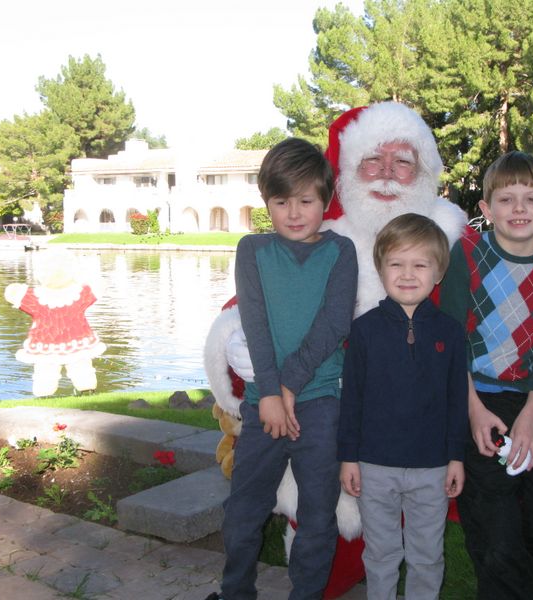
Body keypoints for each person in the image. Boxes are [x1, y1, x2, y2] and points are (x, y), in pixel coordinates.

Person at [204, 101, 533, 597]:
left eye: (403, 161)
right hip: (340, 411)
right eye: (374, 160)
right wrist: (234, 337)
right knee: (329, 542)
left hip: (433, 416)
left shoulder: (454, 234)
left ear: (425, 171)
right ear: (347, 171)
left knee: (517, 506)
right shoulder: (322, 232)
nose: (388, 175)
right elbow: (252, 301)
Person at [211, 138, 358, 600]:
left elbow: (334, 325)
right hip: (262, 405)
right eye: (281, 201)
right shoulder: (252, 250)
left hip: (319, 405)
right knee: (243, 510)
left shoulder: (342, 251)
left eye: (306, 201)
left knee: (318, 514)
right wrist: (270, 394)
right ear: (266, 203)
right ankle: (236, 593)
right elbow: (254, 323)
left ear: (326, 201)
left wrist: (287, 388)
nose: (294, 212)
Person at [439, 151, 533, 599]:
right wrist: (474, 412)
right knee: (494, 528)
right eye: (506, 199)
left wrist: (531, 416)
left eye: (532, 198)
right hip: (478, 399)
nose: (519, 209)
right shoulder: (466, 260)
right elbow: (452, 343)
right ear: (485, 210)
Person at [337, 213, 468, 600]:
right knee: (381, 553)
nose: (407, 274)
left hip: (432, 468)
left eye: (419, 264)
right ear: (380, 269)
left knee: (427, 554)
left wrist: (456, 457)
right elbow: (352, 399)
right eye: (396, 263)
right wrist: (348, 457)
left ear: (438, 272)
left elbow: (456, 400)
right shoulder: (364, 331)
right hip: (376, 466)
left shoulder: (450, 332)